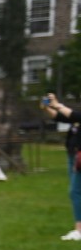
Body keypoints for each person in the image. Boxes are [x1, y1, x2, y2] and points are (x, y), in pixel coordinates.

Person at [42, 94, 81, 241]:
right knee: (76, 191)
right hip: (74, 156)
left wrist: (57, 104)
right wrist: (48, 107)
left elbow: (72, 114)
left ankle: (79, 230)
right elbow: (61, 117)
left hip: (80, 158)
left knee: (75, 192)